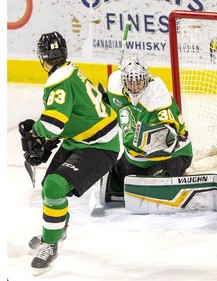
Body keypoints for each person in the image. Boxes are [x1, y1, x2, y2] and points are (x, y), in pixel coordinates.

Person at [18, 31, 122, 275]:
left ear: (41, 58)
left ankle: (51, 244)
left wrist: (36, 131)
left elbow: (53, 125)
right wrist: (48, 139)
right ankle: (55, 230)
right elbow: (69, 118)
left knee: (54, 187)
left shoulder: (58, 80)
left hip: (99, 146)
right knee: (49, 189)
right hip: (82, 139)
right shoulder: (70, 70)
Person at [99, 56, 193, 203]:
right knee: (113, 184)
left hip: (170, 153)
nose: (135, 88)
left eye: (139, 82)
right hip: (135, 157)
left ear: (146, 79)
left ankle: (176, 174)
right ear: (123, 81)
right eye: (130, 83)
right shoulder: (115, 84)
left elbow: (167, 139)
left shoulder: (157, 95)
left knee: (159, 184)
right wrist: (104, 102)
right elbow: (109, 109)